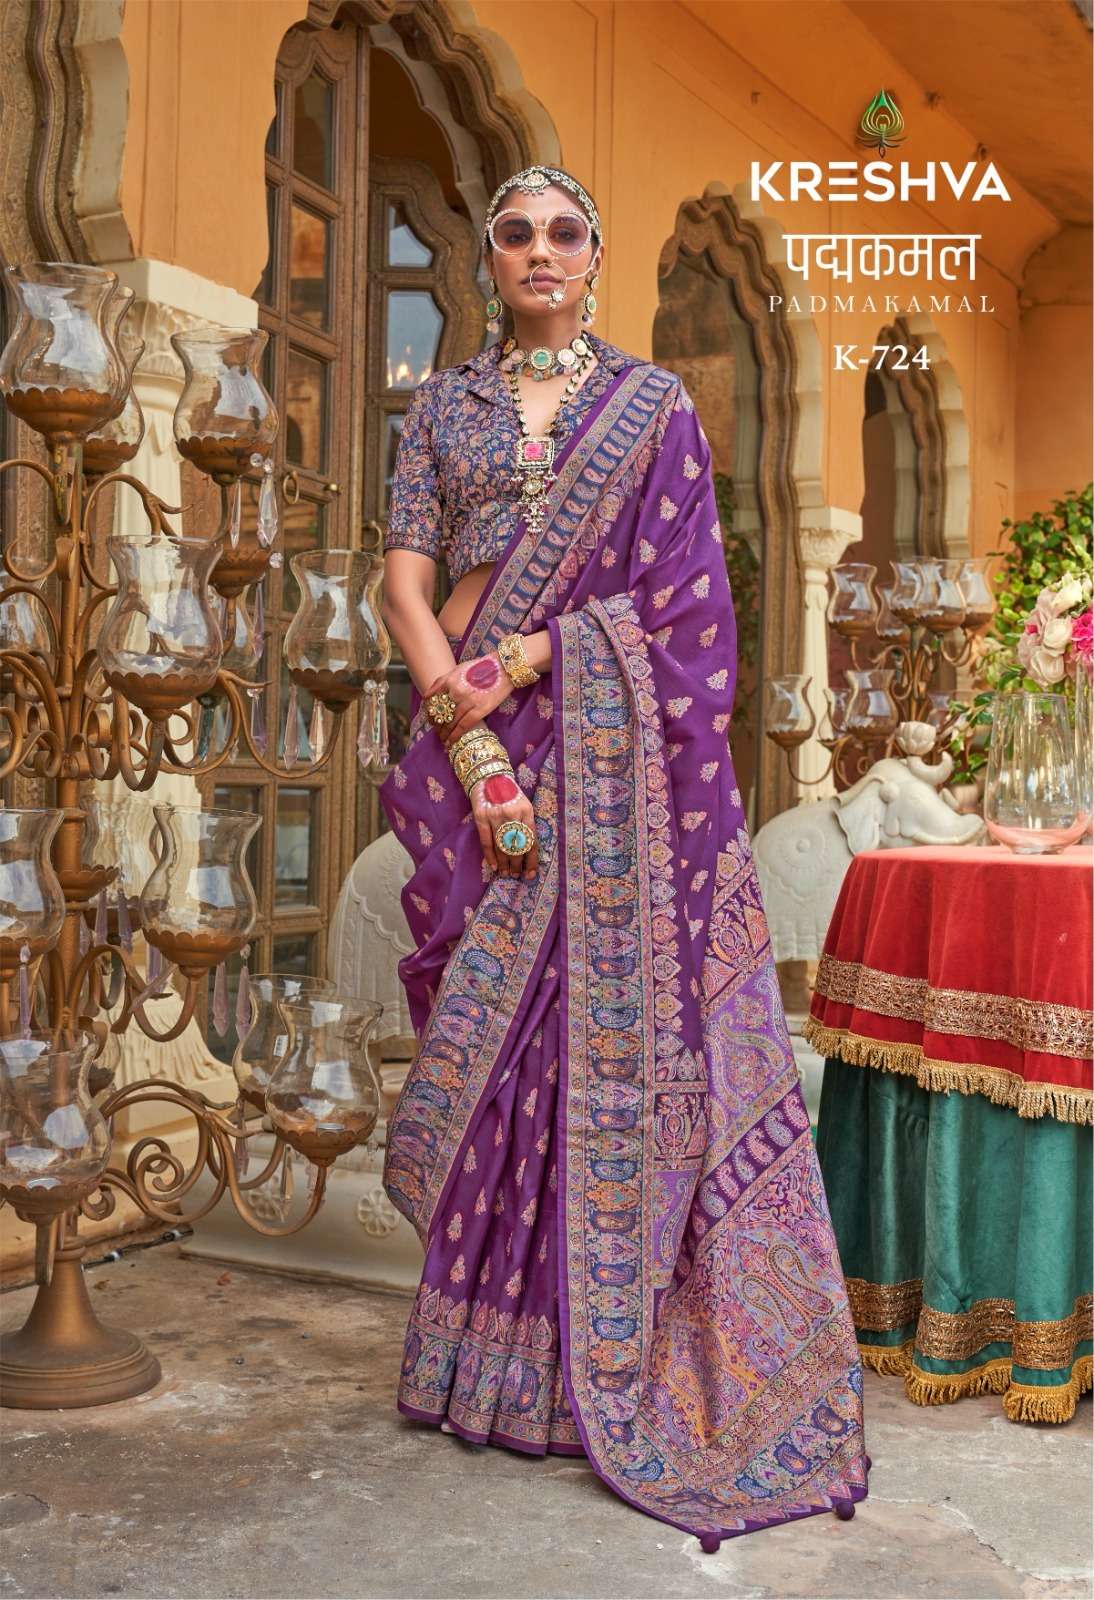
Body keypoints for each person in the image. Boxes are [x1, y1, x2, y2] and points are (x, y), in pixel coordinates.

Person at [377, 164, 869, 1552]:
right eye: (515, 234)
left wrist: (543, 653)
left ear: (594, 259)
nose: (540, 252)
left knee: (589, 1045)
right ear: (489, 260)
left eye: (565, 233)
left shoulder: (652, 409)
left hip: (609, 776)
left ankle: (590, 1354)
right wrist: (462, 721)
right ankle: (478, 1359)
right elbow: (404, 580)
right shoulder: (444, 408)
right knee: (492, 1048)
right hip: (474, 745)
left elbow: (689, 611)